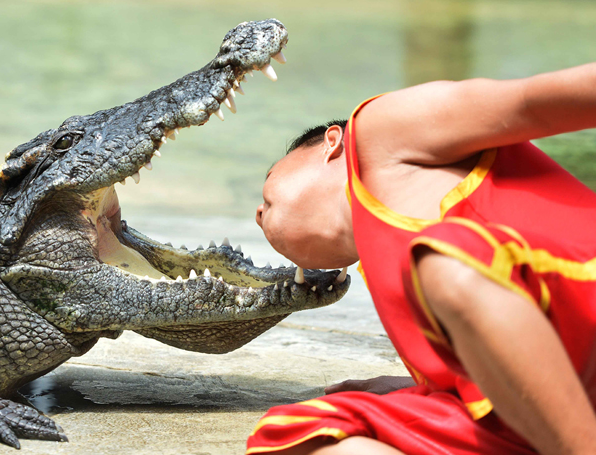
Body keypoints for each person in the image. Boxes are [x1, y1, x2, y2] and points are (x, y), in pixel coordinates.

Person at [247, 63, 596, 455]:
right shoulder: (387, 270)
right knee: (300, 433)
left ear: (332, 143)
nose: (258, 213)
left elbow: (533, 104)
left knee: (443, 262)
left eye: (269, 179)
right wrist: (420, 389)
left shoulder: (381, 134)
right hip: (554, 410)